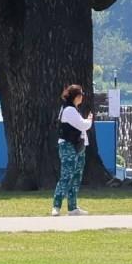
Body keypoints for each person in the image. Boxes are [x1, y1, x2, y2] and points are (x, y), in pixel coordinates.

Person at [52, 84, 93, 216]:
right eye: (81, 94)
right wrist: (90, 120)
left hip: (78, 146)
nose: (82, 97)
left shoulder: (73, 109)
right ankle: (56, 205)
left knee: (76, 176)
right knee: (67, 175)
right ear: (76, 96)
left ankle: (72, 207)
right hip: (69, 146)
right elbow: (83, 125)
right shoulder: (69, 110)